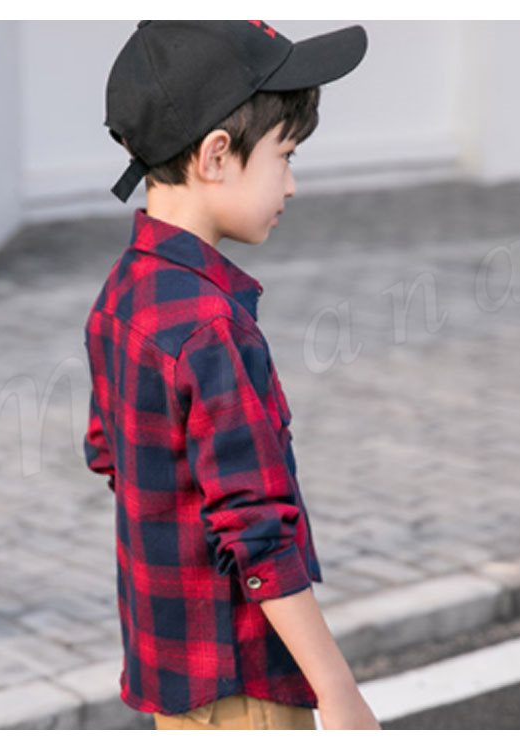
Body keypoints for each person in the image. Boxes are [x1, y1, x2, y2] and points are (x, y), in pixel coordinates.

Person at [83, 20, 381, 731]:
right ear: (217, 155)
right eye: (285, 156)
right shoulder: (212, 328)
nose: (292, 184)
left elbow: (109, 454)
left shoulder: (121, 297)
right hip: (247, 683)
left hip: (175, 674)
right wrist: (338, 691)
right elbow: (258, 532)